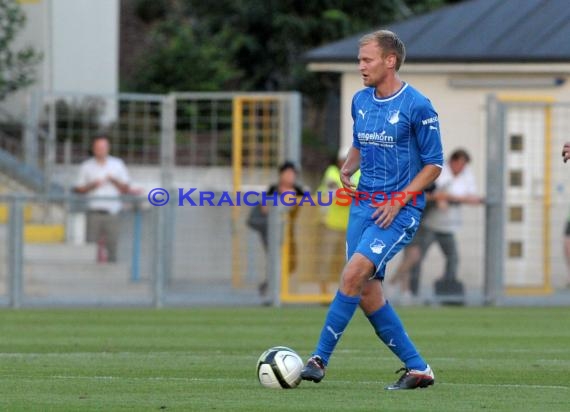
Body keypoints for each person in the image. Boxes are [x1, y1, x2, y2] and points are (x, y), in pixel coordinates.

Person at [300, 30, 443, 390]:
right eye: (359, 60)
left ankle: (318, 359)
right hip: (363, 206)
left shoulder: (418, 106)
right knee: (366, 293)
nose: (360, 66)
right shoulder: (361, 101)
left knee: (352, 275)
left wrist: (399, 199)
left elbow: (434, 165)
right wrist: (349, 165)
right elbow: (361, 141)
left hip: (398, 210)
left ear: (389, 60)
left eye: (367, 60)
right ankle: (418, 368)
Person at [391, 150, 483, 302]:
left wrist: (447, 197)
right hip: (423, 222)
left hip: (446, 226)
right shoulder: (434, 172)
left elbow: (464, 195)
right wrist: (442, 197)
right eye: (460, 163)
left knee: (448, 257)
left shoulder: (463, 175)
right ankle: (404, 288)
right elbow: (429, 194)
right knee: (414, 256)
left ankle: (443, 289)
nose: (461, 168)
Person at [249, 161, 304, 296]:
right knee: (275, 261)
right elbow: (265, 208)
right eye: (288, 173)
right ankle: (273, 291)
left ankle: (272, 285)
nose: (291, 177)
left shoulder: (298, 191)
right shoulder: (273, 189)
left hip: (289, 231)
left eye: (293, 174)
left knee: (290, 263)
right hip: (272, 231)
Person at [74, 135, 132, 263]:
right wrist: (92, 185)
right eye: (98, 147)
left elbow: (126, 188)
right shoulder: (86, 166)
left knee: (112, 245)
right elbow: (79, 189)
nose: (101, 150)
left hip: (112, 212)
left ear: (108, 148)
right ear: (93, 149)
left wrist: (114, 180)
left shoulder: (117, 165)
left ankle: (111, 275)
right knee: (91, 247)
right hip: (94, 212)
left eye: (103, 147)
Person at [316, 152, 361, 294]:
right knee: (326, 259)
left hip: (349, 226)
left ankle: (343, 290)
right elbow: (337, 192)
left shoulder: (359, 174)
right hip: (330, 224)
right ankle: (323, 292)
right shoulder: (332, 172)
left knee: (345, 262)